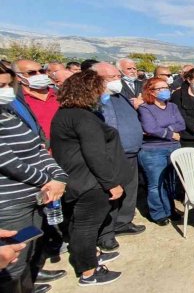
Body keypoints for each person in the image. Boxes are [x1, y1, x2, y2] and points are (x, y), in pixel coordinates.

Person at [51, 70, 129, 286]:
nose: (103, 93)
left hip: (76, 178)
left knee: (79, 224)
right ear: (89, 91)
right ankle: (89, 272)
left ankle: (88, 256)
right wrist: (111, 183)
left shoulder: (66, 113)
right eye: (100, 88)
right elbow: (94, 154)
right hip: (89, 182)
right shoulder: (84, 118)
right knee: (86, 227)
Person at [0, 64, 68, 293]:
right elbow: (9, 163)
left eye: (9, 85)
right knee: (11, 263)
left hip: (36, 194)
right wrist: (45, 179)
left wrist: (58, 176)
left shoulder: (8, 113)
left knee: (31, 249)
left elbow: (37, 147)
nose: (8, 90)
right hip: (11, 204)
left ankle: (31, 281)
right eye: (1, 86)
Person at [91, 62, 146, 251]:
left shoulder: (120, 94)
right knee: (111, 194)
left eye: (117, 76)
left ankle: (123, 222)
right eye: (112, 77)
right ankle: (105, 234)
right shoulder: (95, 99)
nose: (117, 80)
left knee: (130, 191)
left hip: (130, 152)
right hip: (111, 155)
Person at [137, 78, 186, 226]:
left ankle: (170, 210)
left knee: (170, 182)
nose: (166, 90)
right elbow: (150, 128)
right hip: (153, 151)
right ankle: (159, 214)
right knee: (155, 183)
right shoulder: (145, 108)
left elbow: (181, 124)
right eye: (161, 88)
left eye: (166, 87)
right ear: (151, 91)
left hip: (173, 148)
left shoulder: (172, 106)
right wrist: (171, 133)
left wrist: (163, 129)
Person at [12, 60, 59, 142]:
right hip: (39, 150)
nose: (39, 75)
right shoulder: (14, 101)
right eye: (32, 73)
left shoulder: (60, 94)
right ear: (18, 77)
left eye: (41, 71)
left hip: (67, 149)